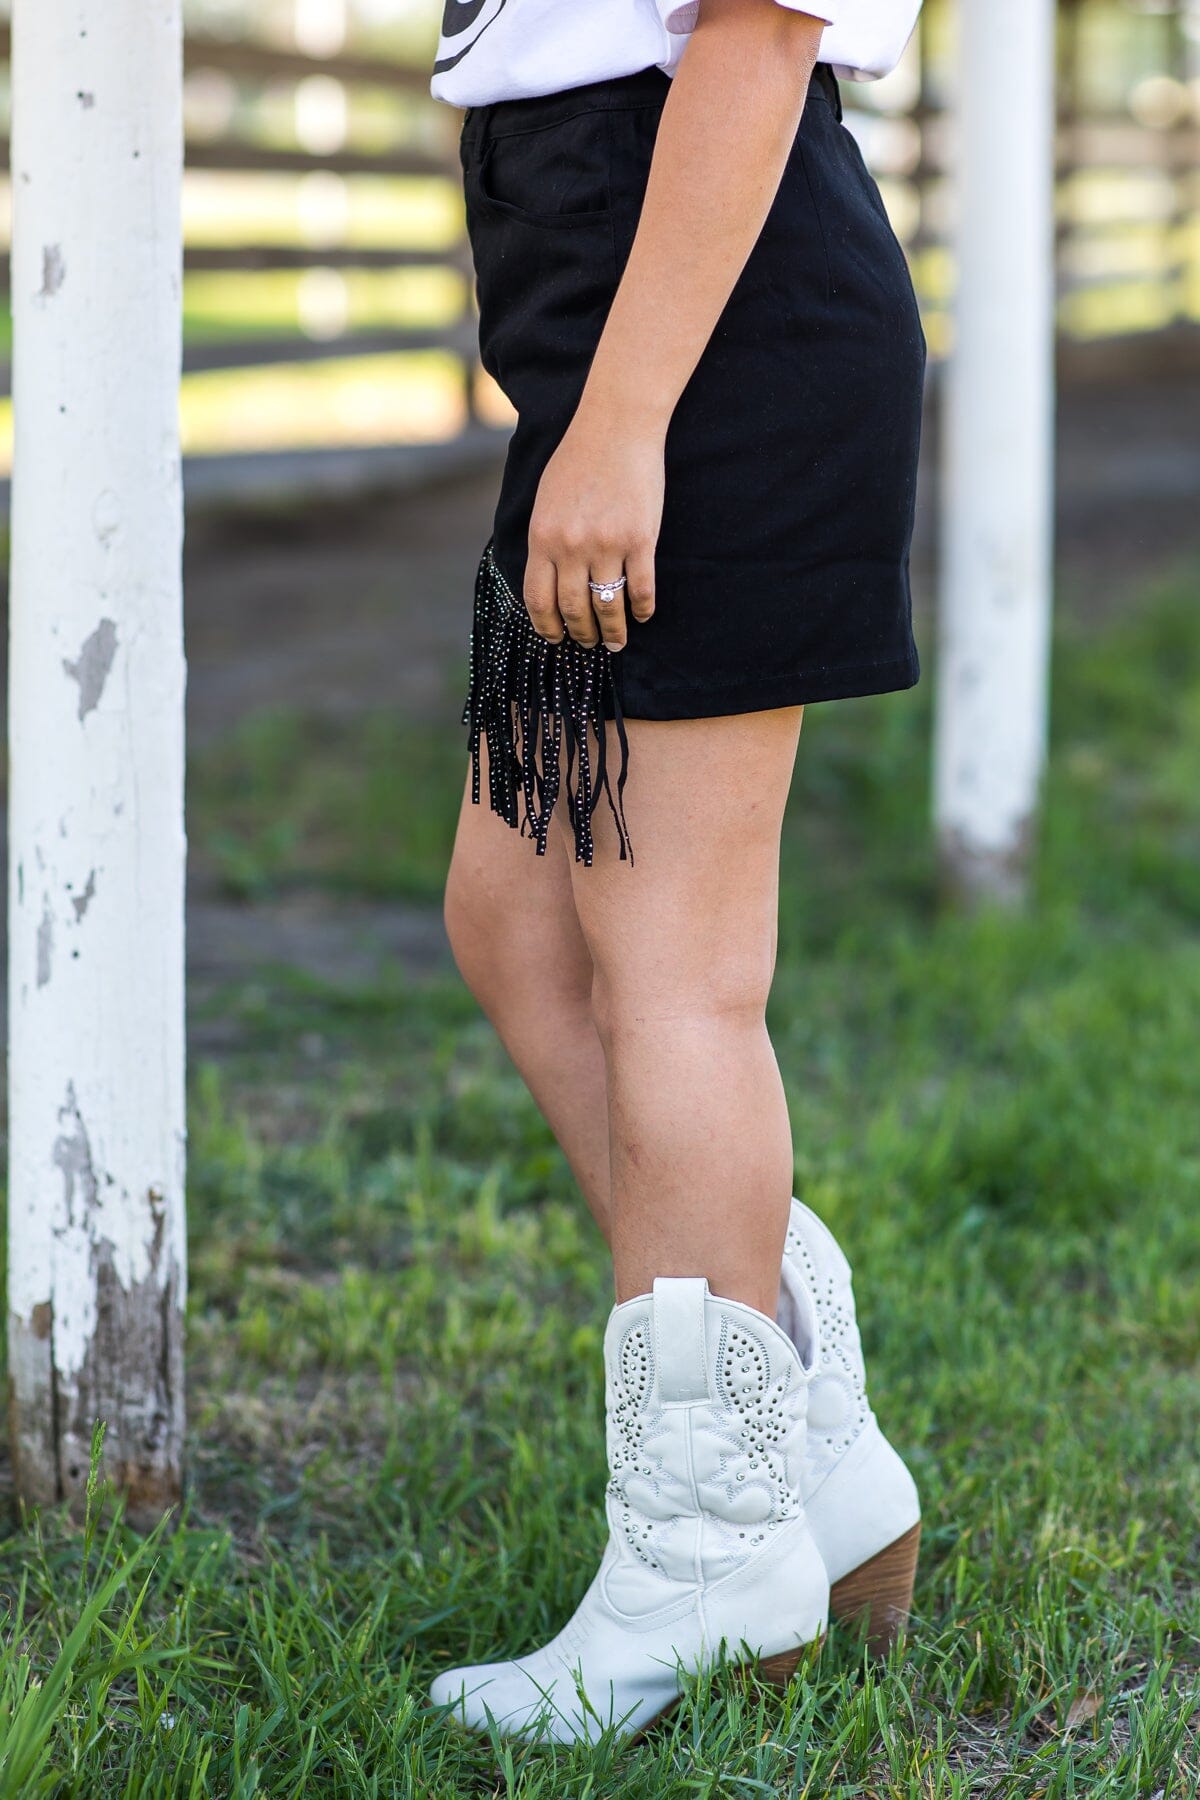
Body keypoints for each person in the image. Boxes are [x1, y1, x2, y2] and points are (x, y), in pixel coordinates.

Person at [429, 0, 926, 1745]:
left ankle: (706, 1559)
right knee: (517, 920)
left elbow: (758, 35)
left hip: (700, 324)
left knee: (675, 980)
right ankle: (811, 1453)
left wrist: (629, 416)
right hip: (608, 312)